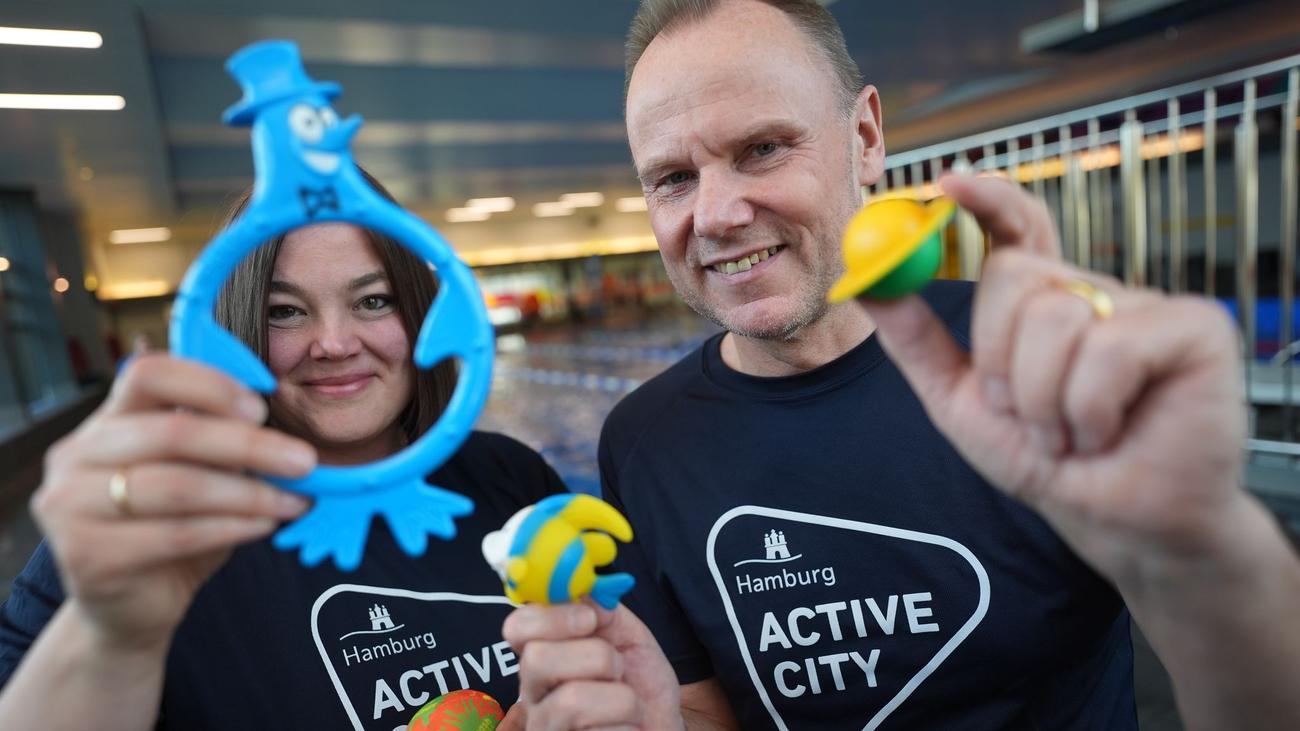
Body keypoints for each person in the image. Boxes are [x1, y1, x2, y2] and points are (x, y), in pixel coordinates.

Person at [501, 1, 1300, 729]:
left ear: (865, 140)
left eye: (763, 149)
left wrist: (1205, 543)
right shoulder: (643, 440)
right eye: (674, 179)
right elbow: (709, 709)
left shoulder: (1028, 362)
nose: (715, 215)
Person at [0, 174, 561, 730]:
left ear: (419, 314)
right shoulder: (149, 529)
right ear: (239, 329)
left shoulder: (507, 476)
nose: (335, 344)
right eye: (285, 311)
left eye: (373, 301)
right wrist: (109, 638)